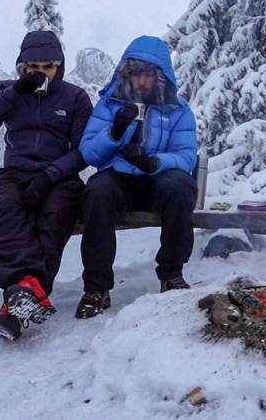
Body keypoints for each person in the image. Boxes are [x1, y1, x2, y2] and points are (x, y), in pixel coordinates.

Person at [0, 31, 93, 340]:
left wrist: (51, 174)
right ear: (22, 67)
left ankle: (19, 299)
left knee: (55, 216)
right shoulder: (8, 91)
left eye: (48, 66)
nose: (40, 73)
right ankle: (26, 289)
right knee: (9, 211)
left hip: (59, 175)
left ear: (58, 67)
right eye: (32, 67)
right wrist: (14, 91)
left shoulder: (75, 97)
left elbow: (84, 150)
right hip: (16, 172)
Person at [74, 36, 198, 319]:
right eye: (137, 74)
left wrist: (154, 161)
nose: (143, 81)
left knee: (181, 187)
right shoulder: (108, 105)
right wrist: (115, 133)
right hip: (119, 179)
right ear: (126, 74)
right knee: (97, 192)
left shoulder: (178, 111)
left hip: (158, 179)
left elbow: (186, 155)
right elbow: (90, 154)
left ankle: (172, 274)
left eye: (149, 75)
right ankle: (96, 287)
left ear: (161, 77)